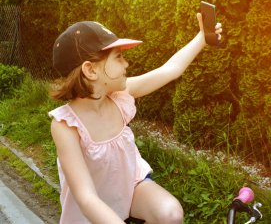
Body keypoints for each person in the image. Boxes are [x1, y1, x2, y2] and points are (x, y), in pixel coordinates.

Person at [48, 12, 222, 224]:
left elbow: (170, 70)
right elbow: (86, 198)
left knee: (171, 214)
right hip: (91, 210)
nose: (126, 64)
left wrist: (202, 38)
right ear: (90, 70)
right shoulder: (65, 126)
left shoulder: (120, 96)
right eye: (119, 57)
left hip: (130, 186)